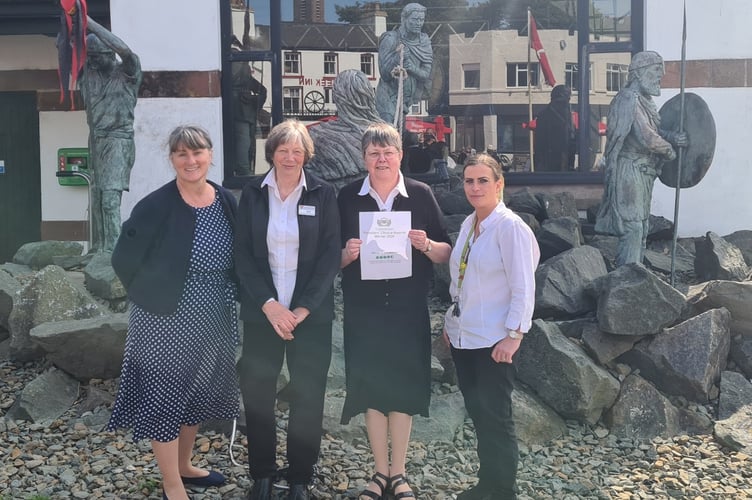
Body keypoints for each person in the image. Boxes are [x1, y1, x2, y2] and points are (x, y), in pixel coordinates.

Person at [108, 125, 240, 500]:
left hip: (214, 311)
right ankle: (170, 483)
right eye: (181, 154)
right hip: (165, 317)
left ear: (210, 154)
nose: (191, 160)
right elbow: (123, 259)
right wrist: (150, 296)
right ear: (172, 160)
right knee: (164, 394)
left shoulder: (224, 198)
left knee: (196, 391)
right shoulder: (155, 205)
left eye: (197, 152)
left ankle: (184, 466)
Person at [339, 123, 452, 500]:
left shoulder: (420, 195)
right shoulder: (347, 198)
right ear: (364, 158)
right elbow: (327, 259)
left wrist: (426, 245)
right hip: (364, 309)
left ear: (400, 155)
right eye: (374, 153)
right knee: (371, 388)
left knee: (403, 387)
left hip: (407, 308)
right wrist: (347, 254)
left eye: (388, 152)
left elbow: (446, 253)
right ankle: (379, 472)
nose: (382, 158)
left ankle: (399, 473)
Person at [234, 120, 341, 500]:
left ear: (306, 155)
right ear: (272, 153)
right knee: (258, 395)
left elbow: (331, 256)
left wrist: (302, 309)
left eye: (298, 151)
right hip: (263, 314)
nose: (290, 157)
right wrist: (270, 305)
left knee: (308, 396)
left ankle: (300, 477)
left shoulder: (324, 195)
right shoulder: (252, 194)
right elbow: (242, 255)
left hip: (309, 318)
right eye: (283, 150)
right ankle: (261, 474)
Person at [443, 154, 540, 500]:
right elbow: (461, 279)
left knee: (496, 419)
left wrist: (514, 335)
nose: (475, 187)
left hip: (495, 342)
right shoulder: (470, 224)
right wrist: (451, 321)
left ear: (499, 185)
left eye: (483, 180)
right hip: (464, 338)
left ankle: (503, 491)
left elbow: (523, 287)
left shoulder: (510, 228)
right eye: (469, 181)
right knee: (479, 416)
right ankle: (487, 486)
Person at [594, 51, 687, 266]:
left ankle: (635, 278)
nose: (659, 79)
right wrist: (669, 149)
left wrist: (672, 137)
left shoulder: (643, 101)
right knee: (632, 227)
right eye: (656, 73)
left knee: (642, 226)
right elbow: (646, 136)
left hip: (643, 172)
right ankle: (626, 278)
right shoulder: (628, 99)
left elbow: (654, 131)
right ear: (641, 73)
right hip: (629, 170)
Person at [80, 17, 142, 253]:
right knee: (95, 198)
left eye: (98, 56)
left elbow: (125, 51)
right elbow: (64, 47)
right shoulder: (89, 74)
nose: (93, 61)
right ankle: (99, 249)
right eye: (90, 56)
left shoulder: (127, 73)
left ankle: (113, 254)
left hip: (118, 140)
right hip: (95, 139)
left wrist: (87, 22)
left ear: (110, 53)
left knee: (109, 200)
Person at [307, 69, 385, 190]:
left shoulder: (316, 135)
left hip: (332, 200)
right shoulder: (386, 134)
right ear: (369, 94)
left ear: (337, 97)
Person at [375, 3, 433, 125]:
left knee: (401, 136)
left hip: (406, 102)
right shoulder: (391, 39)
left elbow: (425, 74)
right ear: (404, 19)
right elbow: (384, 73)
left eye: (421, 20)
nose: (419, 23)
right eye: (414, 19)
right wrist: (397, 57)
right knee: (389, 133)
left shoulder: (424, 42)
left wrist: (410, 67)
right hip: (388, 98)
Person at [231, 55, 267, 176]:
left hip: (246, 112)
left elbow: (262, 90)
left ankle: (245, 169)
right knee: (244, 141)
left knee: (249, 142)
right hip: (239, 111)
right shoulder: (236, 65)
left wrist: (253, 99)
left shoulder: (243, 71)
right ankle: (243, 170)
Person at [534, 85, 576, 172]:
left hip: (567, 165)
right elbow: (539, 145)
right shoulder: (544, 116)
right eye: (564, 101)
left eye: (568, 100)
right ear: (555, 100)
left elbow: (572, 139)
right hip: (549, 166)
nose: (567, 103)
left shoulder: (570, 115)